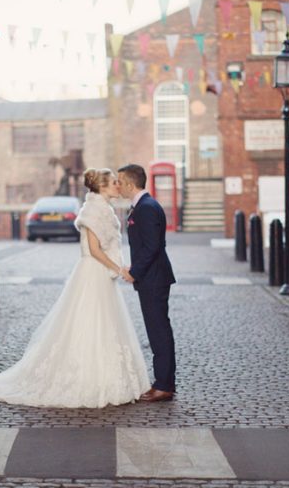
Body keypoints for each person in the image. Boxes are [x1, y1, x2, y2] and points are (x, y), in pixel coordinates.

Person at [0, 168, 150, 408]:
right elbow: (93, 250)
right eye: (114, 183)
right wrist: (119, 268)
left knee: (106, 324)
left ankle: (108, 377)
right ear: (102, 187)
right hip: (92, 273)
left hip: (103, 276)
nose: (118, 186)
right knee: (88, 324)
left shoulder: (106, 209)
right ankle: (85, 380)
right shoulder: (91, 211)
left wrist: (116, 267)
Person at [117, 164, 177, 402]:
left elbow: (153, 246)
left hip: (153, 278)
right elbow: (147, 245)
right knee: (157, 330)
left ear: (131, 184)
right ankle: (162, 382)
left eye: (120, 181)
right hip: (151, 276)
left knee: (159, 331)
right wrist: (135, 266)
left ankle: (164, 385)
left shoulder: (146, 208)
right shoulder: (144, 206)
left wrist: (135, 272)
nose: (117, 185)